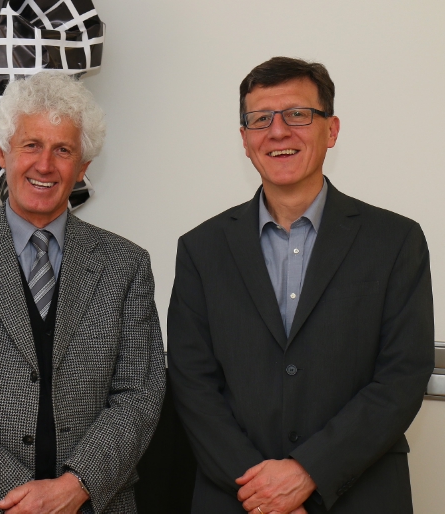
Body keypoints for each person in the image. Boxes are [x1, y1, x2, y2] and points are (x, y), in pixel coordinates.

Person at [167, 56, 434, 514]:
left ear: (331, 130)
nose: (278, 131)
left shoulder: (395, 240)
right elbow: (193, 384)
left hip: (360, 494)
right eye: (260, 119)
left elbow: (402, 377)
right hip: (237, 496)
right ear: (245, 140)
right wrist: (261, 491)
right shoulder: (201, 248)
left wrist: (308, 472)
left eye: (297, 114)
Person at [0, 71, 165, 513]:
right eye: (31, 145)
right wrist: (20, 499)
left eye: (63, 150)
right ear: (2, 153)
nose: (45, 165)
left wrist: (75, 487)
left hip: (90, 503)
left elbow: (139, 393)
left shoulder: (126, 265)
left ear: (83, 167)